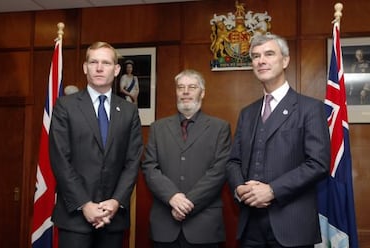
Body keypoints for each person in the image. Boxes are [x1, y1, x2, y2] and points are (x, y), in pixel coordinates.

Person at [226, 34, 330, 248]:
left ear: (285, 61)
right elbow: (233, 162)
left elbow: (318, 164)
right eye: (255, 56)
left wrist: (272, 190)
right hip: (250, 227)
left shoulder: (310, 108)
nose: (261, 60)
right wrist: (239, 189)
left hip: (292, 227)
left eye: (269, 54)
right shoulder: (247, 113)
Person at [49, 41, 143, 248]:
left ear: (116, 69)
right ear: (85, 67)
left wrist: (116, 201)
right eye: (94, 62)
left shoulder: (128, 111)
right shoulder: (65, 106)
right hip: (74, 216)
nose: (99, 68)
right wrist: (85, 204)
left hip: (113, 217)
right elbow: (60, 159)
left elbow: (132, 162)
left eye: (106, 63)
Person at [141, 69, 232, 248]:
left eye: (192, 87)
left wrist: (187, 203)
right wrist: (172, 197)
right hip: (164, 225)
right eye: (181, 87)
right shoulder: (158, 128)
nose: (185, 92)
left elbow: (219, 171)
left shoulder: (219, 128)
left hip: (204, 227)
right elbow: (149, 167)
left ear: (202, 92)